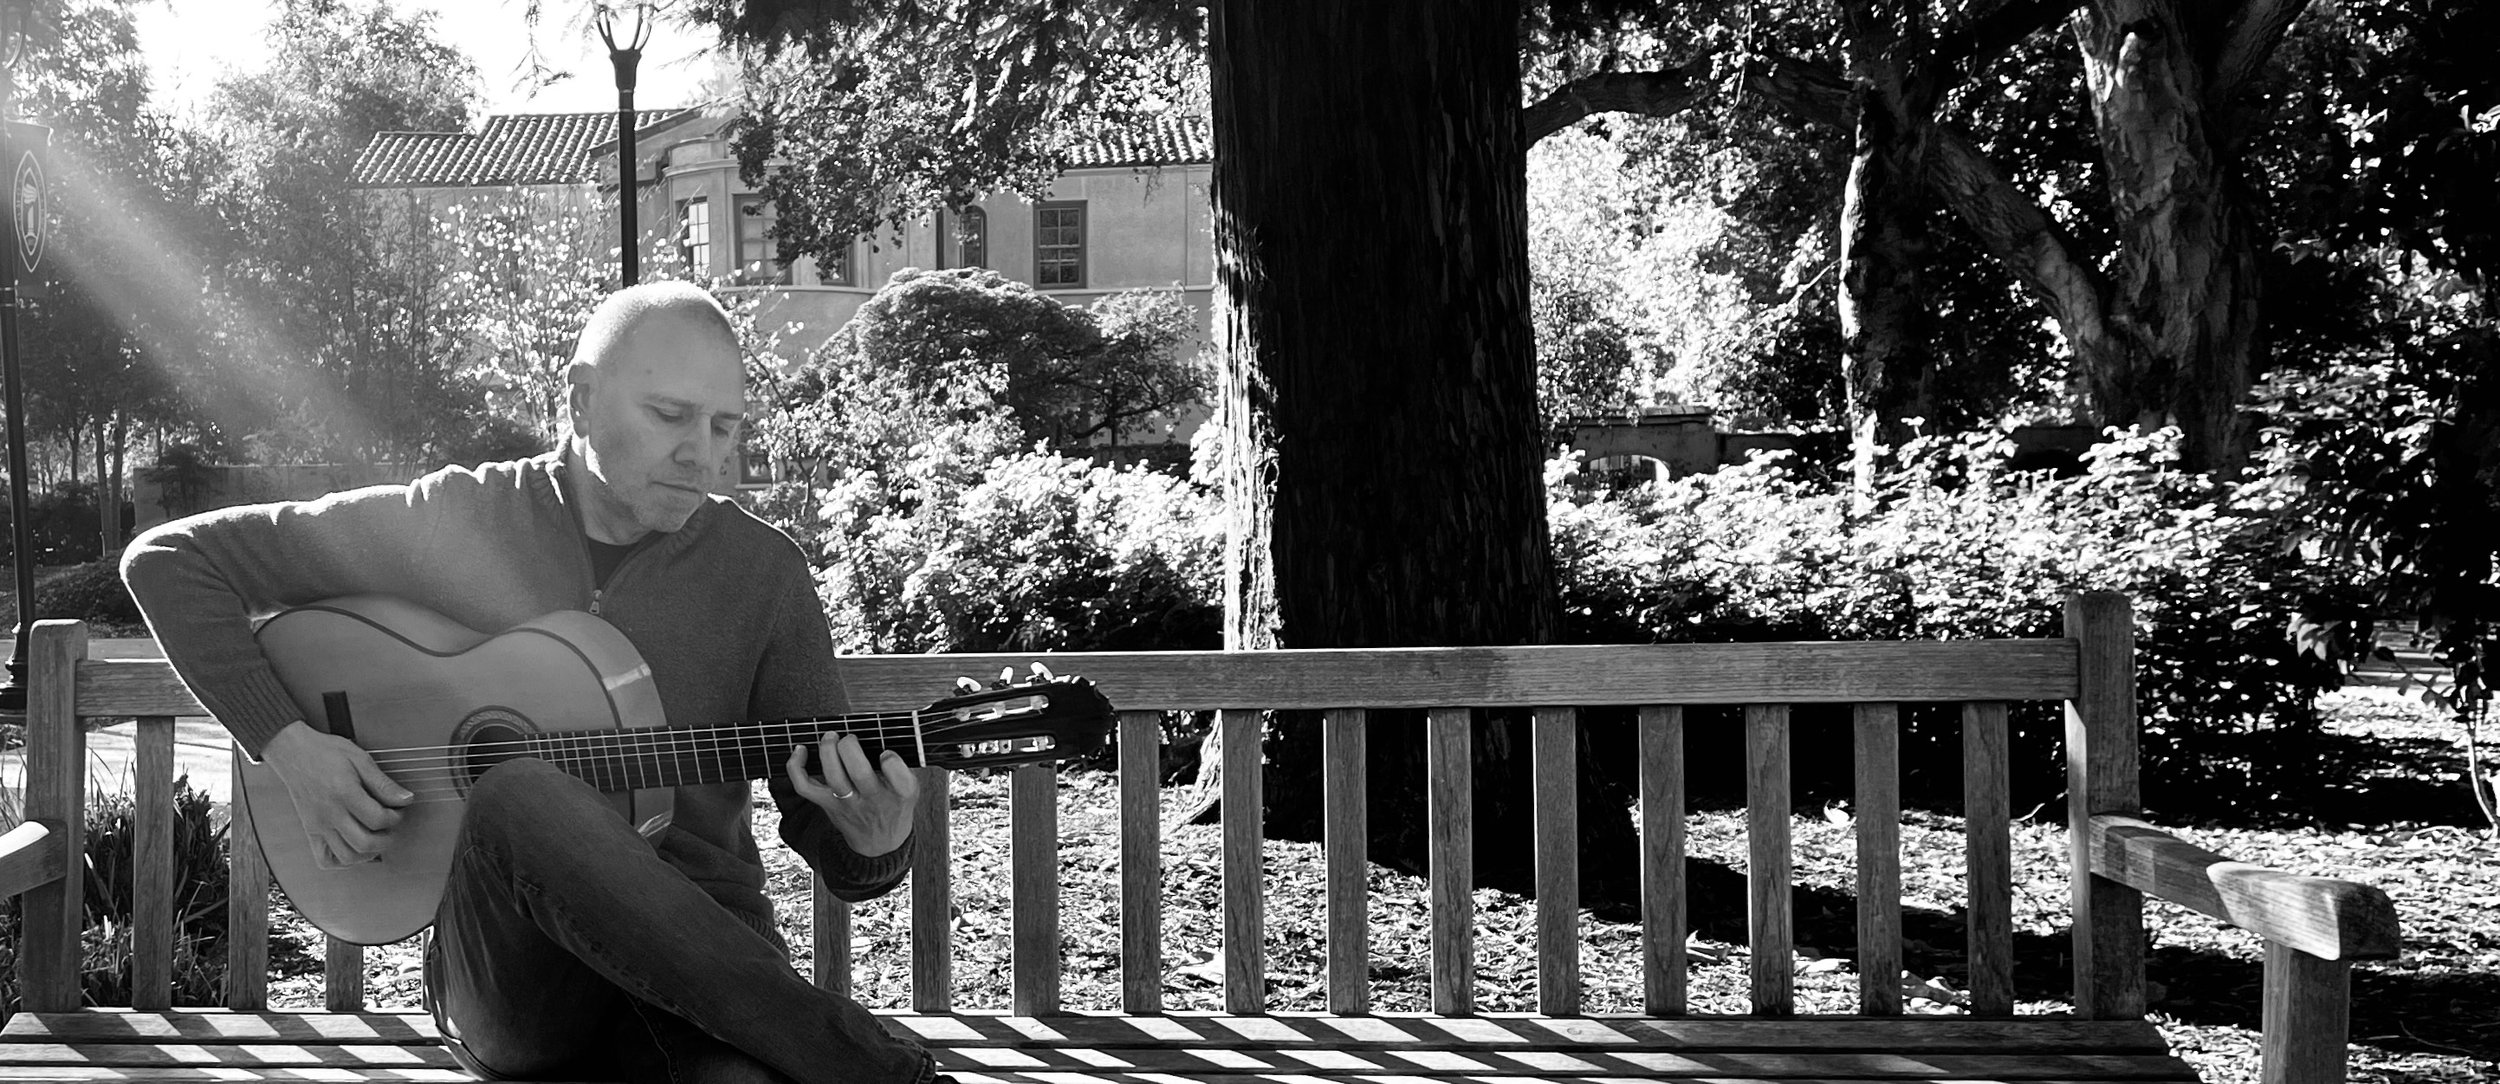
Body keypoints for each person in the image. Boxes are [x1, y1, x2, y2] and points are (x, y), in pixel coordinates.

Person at [122, 283, 939, 1084]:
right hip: (513, 986)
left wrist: (877, 839)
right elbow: (169, 561)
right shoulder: (457, 519)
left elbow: (836, 834)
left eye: (724, 426)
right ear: (581, 400)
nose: (703, 452)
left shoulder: (763, 573)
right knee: (517, 788)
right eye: (670, 414)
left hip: (707, 976)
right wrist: (290, 746)